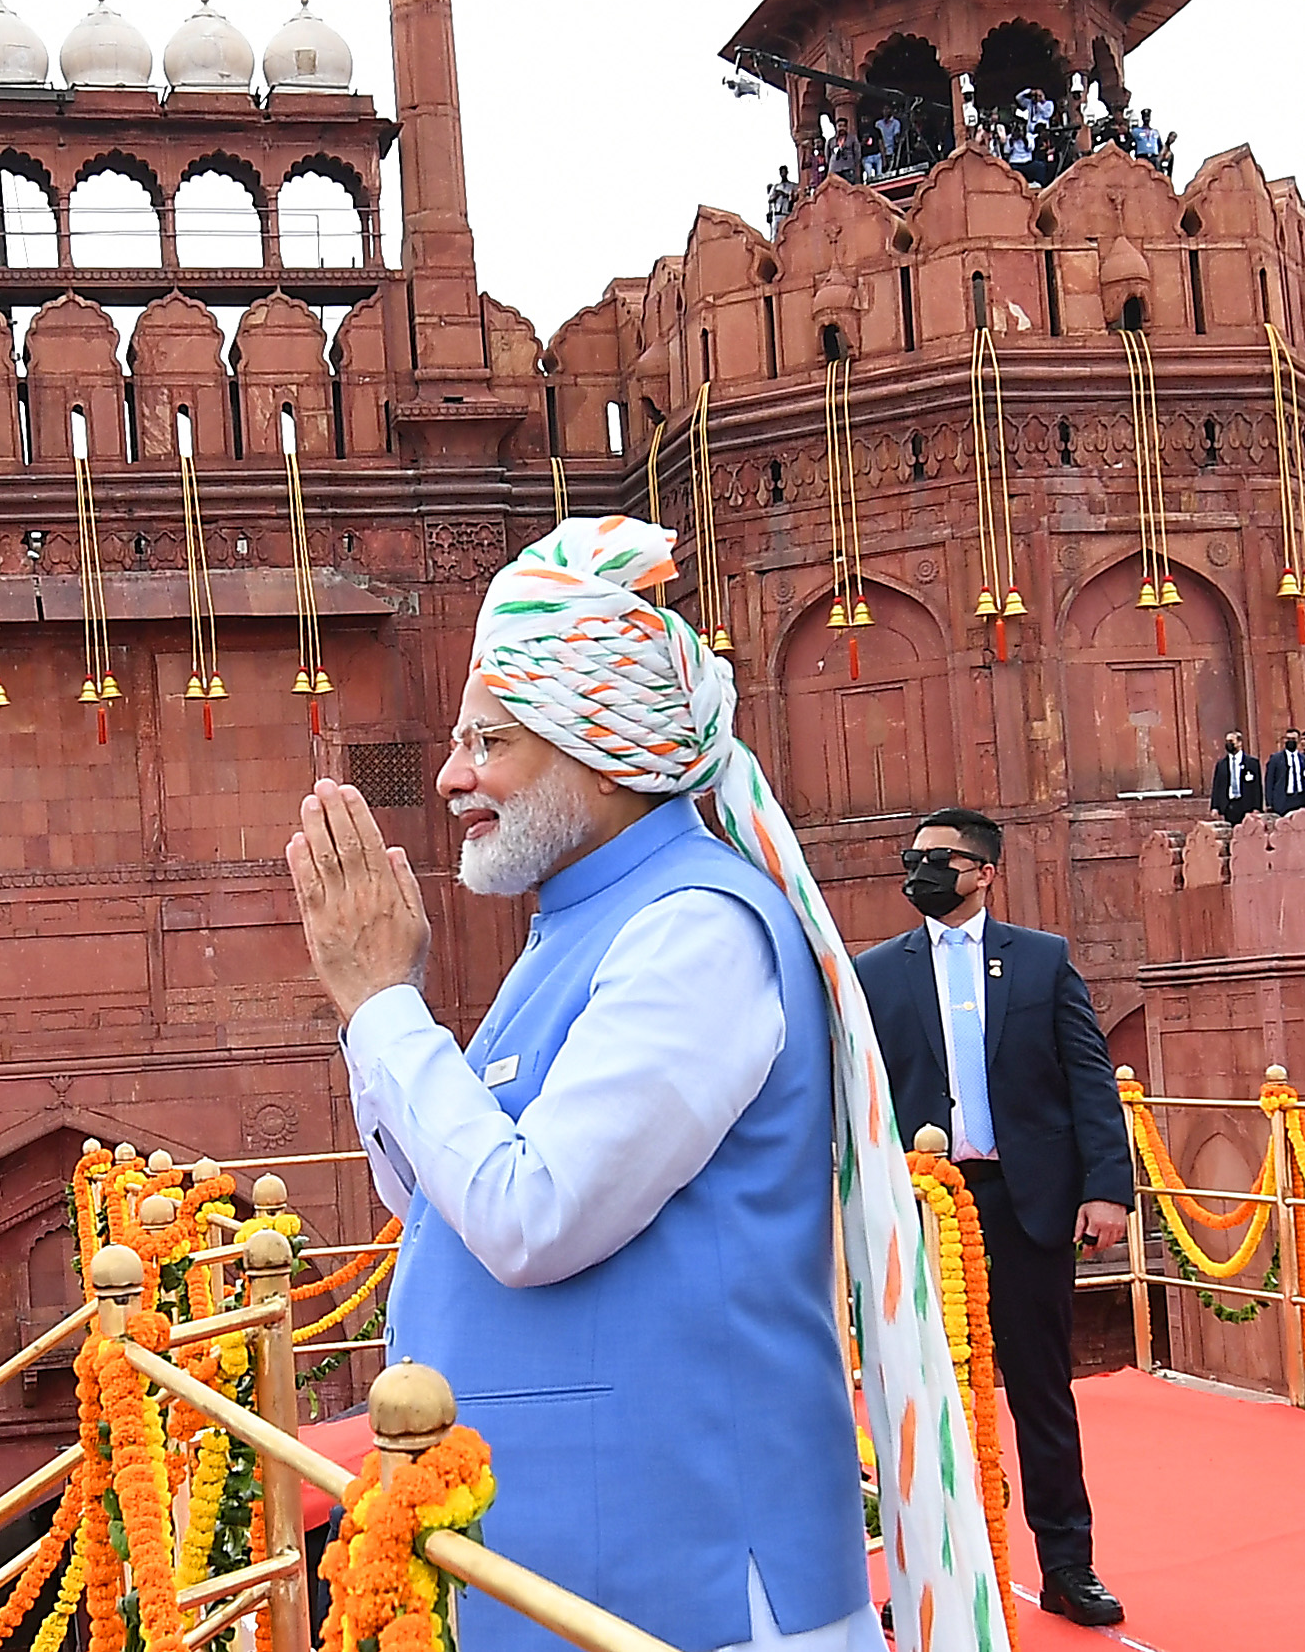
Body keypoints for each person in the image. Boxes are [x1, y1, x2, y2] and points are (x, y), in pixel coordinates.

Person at [288, 518, 995, 1652]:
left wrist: (382, 1007)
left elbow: (534, 1213)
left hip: (686, 1572)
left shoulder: (693, 928)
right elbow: (434, 1193)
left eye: (488, 741)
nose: (452, 776)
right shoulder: (580, 925)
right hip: (580, 1549)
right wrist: (384, 1007)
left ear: (596, 748)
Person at [853, 812, 1131, 1627]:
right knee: (924, 1397)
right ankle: (928, 1576)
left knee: (1041, 1392)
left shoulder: (1041, 960)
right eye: (912, 858)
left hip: (1026, 1201)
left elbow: (1089, 1078)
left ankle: (1068, 1565)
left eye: (937, 859)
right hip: (926, 1207)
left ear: (983, 871)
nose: (920, 871)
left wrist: (1106, 1187)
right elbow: (863, 1091)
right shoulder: (878, 972)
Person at [1212, 731, 1264, 823]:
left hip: (1246, 805)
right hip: (1228, 805)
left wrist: (1257, 807)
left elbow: (1257, 787)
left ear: (1239, 743)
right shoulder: (1221, 764)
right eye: (1227, 741)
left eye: (1231, 741)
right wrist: (1215, 807)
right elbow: (1217, 787)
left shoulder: (1252, 763)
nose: (1229, 744)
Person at [1270, 730, 1305, 816]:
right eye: (1288, 739)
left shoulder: (1303, 758)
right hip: (1283, 800)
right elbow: (1270, 780)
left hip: (1300, 798)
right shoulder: (1276, 759)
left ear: (1298, 740)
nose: (1290, 741)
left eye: (1293, 739)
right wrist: (1270, 802)